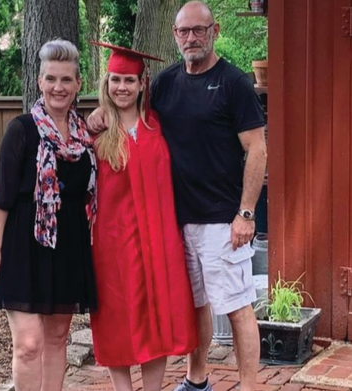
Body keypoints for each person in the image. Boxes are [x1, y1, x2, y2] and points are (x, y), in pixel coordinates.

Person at [87, 2, 267, 391]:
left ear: (214, 30)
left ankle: (250, 386)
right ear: (174, 35)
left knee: (236, 307)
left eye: (199, 30)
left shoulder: (234, 82)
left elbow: (257, 148)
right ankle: (196, 379)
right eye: (184, 32)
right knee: (195, 304)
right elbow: (126, 119)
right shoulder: (166, 84)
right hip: (177, 221)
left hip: (223, 217)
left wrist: (246, 214)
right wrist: (96, 116)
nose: (191, 38)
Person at [0, 39, 97, 391]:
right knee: (29, 343)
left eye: (66, 80)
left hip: (68, 250)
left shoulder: (85, 136)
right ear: (39, 82)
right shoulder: (22, 130)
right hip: (24, 249)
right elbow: (1, 197)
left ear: (78, 84)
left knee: (58, 337)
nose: (58, 87)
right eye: (50, 79)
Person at [90, 42, 198, 391]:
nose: (122, 87)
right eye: (116, 80)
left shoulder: (157, 128)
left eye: (129, 80)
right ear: (107, 83)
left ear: (142, 84)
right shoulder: (96, 132)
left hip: (159, 238)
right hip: (114, 241)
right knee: (115, 317)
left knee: (158, 318)